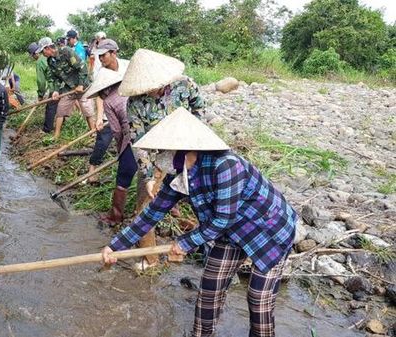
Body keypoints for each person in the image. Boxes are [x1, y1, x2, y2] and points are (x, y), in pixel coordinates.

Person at [101, 107, 297, 337]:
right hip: (227, 232)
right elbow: (151, 214)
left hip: (268, 228)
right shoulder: (179, 174)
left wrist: (185, 243)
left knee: (258, 297)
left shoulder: (225, 165)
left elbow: (223, 218)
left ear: (185, 149)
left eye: (166, 150)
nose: (161, 156)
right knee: (209, 290)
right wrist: (114, 246)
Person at [117, 48, 206, 269]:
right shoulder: (135, 103)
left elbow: (200, 109)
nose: (152, 90)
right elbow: (139, 142)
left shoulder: (184, 85)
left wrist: (195, 142)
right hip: (157, 159)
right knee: (145, 209)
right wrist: (148, 177)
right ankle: (151, 260)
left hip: (188, 154)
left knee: (202, 204)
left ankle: (206, 247)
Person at [83, 68, 136, 225]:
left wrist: (122, 151)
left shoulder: (109, 101)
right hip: (148, 134)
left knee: (123, 178)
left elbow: (117, 131)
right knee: (151, 175)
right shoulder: (129, 91)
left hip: (132, 137)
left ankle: (115, 217)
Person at [86, 39, 130, 184]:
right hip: (109, 110)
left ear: (113, 53)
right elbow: (100, 97)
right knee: (103, 141)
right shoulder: (101, 73)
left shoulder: (128, 66)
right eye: (99, 56)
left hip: (129, 110)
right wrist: (99, 117)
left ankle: (124, 170)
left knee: (128, 142)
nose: (100, 59)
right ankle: (92, 171)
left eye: (103, 55)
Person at [36, 37, 95, 139]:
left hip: (83, 86)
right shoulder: (50, 61)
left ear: (47, 48)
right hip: (69, 87)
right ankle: (56, 135)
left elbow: (82, 67)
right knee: (60, 110)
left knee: (87, 110)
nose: (42, 54)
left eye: (42, 51)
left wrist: (81, 85)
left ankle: (93, 132)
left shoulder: (66, 51)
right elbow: (55, 78)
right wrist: (55, 91)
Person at [28, 42, 57, 133]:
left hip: (54, 86)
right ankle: (59, 124)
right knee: (58, 105)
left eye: (32, 56)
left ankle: (47, 129)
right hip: (60, 83)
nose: (33, 58)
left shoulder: (40, 62)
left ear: (35, 53)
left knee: (50, 107)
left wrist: (40, 94)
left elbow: (41, 81)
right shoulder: (48, 57)